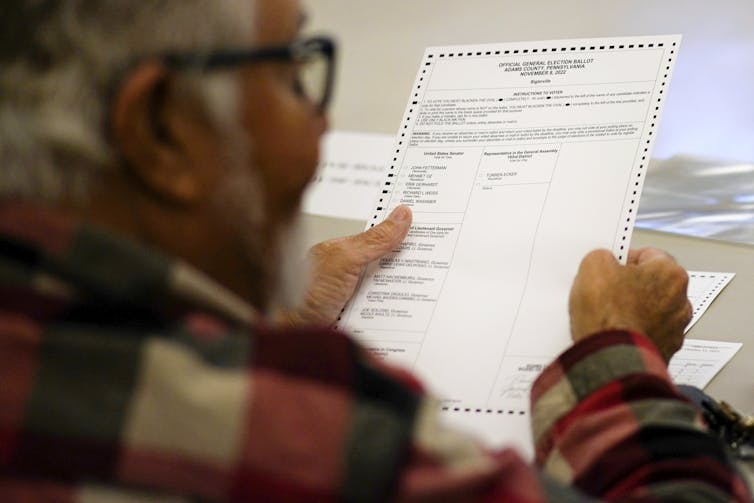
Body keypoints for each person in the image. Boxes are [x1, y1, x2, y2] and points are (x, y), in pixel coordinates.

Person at [0, 0, 749, 501]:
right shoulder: (321, 434)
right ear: (162, 131)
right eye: (293, 75)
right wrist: (618, 356)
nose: (319, 125)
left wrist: (283, 311)